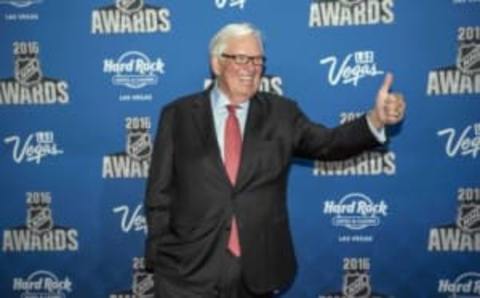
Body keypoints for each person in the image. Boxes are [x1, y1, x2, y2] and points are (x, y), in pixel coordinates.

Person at [144, 22, 406, 298]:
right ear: (216, 63)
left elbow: (329, 144)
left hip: (258, 270)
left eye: (258, 60)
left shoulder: (282, 113)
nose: (251, 67)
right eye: (241, 58)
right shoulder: (178, 115)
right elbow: (158, 193)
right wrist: (162, 255)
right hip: (186, 272)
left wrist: (375, 120)